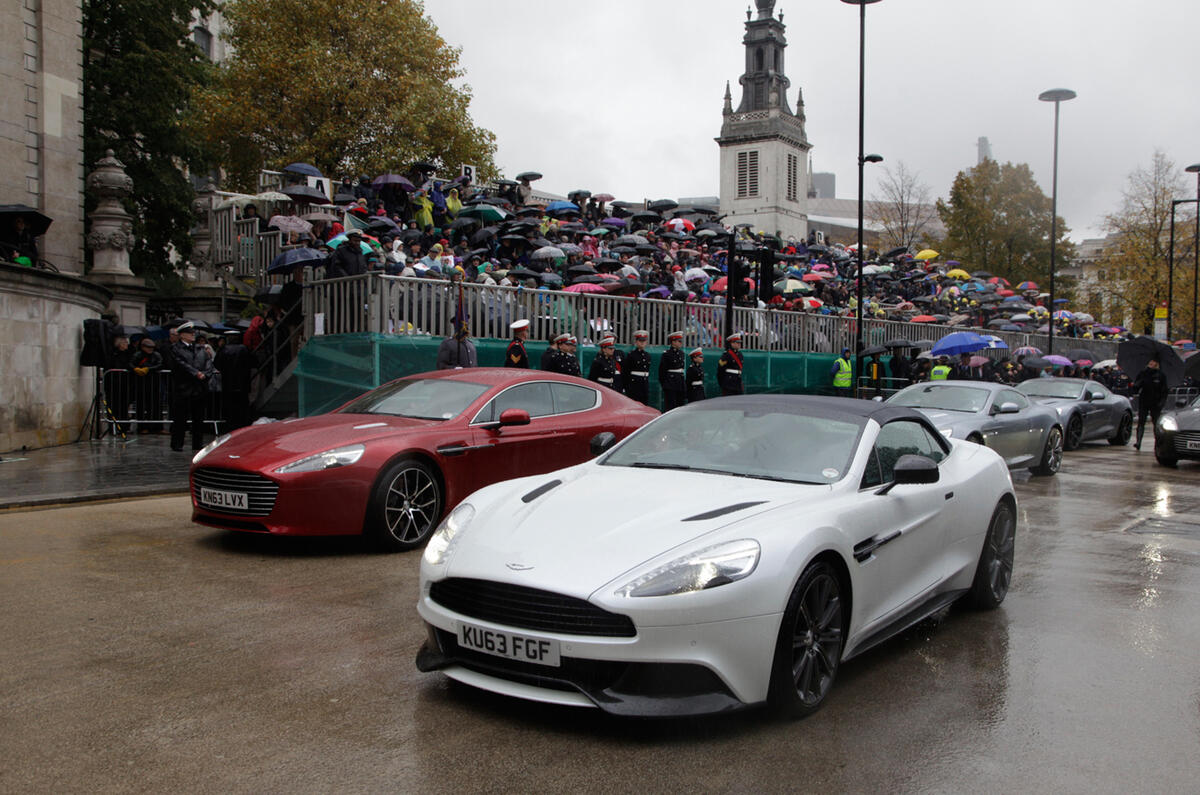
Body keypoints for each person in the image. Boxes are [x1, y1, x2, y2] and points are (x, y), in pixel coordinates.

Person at [170, 321, 215, 452]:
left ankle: (197, 443)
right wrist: (196, 373)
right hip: (184, 387)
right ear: (182, 335)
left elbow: (208, 363)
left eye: (193, 333)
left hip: (199, 388)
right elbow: (180, 364)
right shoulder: (176, 348)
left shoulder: (200, 349)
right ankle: (177, 443)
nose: (193, 335)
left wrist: (205, 374)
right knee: (180, 418)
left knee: (199, 418)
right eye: (190, 333)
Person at [214, 330, 255, 432]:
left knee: (229, 408)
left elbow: (217, 364)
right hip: (243, 383)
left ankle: (229, 427)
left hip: (228, 383)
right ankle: (242, 426)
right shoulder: (244, 349)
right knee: (242, 407)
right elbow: (252, 362)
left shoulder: (223, 350)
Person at [1132, 357, 1169, 451]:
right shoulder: (1143, 373)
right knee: (1141, 422)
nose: (1152, 364)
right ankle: (1138, 442)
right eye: (1150, 362)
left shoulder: (1161, 375)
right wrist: (1139, 383)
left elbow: (1164, 391)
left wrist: (1161, 403)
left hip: (1155, 403)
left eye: (1154, 362)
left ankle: (1158, 443)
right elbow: (1136, 387)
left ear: (1157, 364)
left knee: (1156, 423)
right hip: (1144, 401)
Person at [129, 337, 163, 432]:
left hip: (154, 383)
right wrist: (136, 369)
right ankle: (142, 427)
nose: (150, 349)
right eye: (148, 347)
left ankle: (157, 427)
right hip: (141, 384)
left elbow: (160, 364)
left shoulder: (156, 355)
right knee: (141, 406)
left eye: (152, 347)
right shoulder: (138, 355)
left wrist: (149, 369)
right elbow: (131, 364)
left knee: (156, 405)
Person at [104, 332, 132, 434]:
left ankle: (124, 426)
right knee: (114, 406)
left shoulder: (128, 354)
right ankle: (115, 427)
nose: (126, 345)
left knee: (124, 406)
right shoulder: (113, 354)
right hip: (114, 384)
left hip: (124, 384)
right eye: (125, 342)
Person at [658, 331, 687, 411]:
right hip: (671, 383)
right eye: (679, 341)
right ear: (673, 342)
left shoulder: (681, 353)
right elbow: (662, 371)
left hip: (680, 383)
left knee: (680, 406)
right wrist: (665, 384)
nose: (681, 343)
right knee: (671, 406)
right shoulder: (667, 354)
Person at [623, 330, 652, 405]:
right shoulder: (631, 355)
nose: (642, 342)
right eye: (640, 340)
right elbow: (626, 372)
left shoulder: (647, 355)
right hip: (634, 384)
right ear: (636, 342)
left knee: (644, 404)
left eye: (644, 341)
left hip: (644, 383)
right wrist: (627, 387)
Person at [716, 331, 745, 396]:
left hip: (738, 382)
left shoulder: (740, 355)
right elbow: (720, 371)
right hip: (729, 384)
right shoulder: (726, 355)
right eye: (737, 343)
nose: (739, 344)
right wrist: (723, 384)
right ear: (732, 343)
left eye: (739, 343)